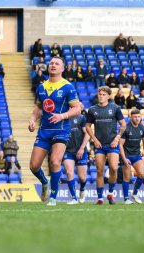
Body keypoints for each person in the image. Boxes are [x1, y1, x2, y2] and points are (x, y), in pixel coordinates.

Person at [28, 56, 81, 206]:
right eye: (51, 63)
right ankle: (45, 181)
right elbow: (38, 107)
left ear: (63, 69)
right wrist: (32, 119)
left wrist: (62, 116)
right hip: (44, 130)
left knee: (55, 161)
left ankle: (53, 197)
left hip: (61, 130)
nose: (53, 65)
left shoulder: (68, 86)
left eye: (57, 63)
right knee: (33, 166)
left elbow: (77, 109)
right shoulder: (41, 87)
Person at [86, 86, 126, 205]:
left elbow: (123, 125)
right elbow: (88, 126)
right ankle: (99, 198)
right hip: (99, 146)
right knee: (99, 170)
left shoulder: (115, 108)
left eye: (103, 94)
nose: (101, 96)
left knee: (114, 168)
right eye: (100, 94)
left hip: (113, 144)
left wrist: (117, 138)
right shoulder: (92, 110)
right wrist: (94, 140)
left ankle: (110, 193)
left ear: (108, 96)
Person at [119, 109, 144, 204]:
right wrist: (124, 158)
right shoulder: (126, 128)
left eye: (139, 116)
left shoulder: (143, 128)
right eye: (135, 117)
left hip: (136, 155)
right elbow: (120, 145)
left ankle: (134, 193)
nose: (137, 118)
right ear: (130, 117)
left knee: (141, 174)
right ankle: (126, 199)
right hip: (126, 155)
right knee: (127, 177)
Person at [63, 102, 90, 204]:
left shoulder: (82, 118)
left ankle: (82, 190)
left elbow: (87, 134)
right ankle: (74, 198)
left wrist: (82, 148)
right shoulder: (63, 118)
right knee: (69, 172)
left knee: (82, 177)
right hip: (67, 151)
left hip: (80, 150)